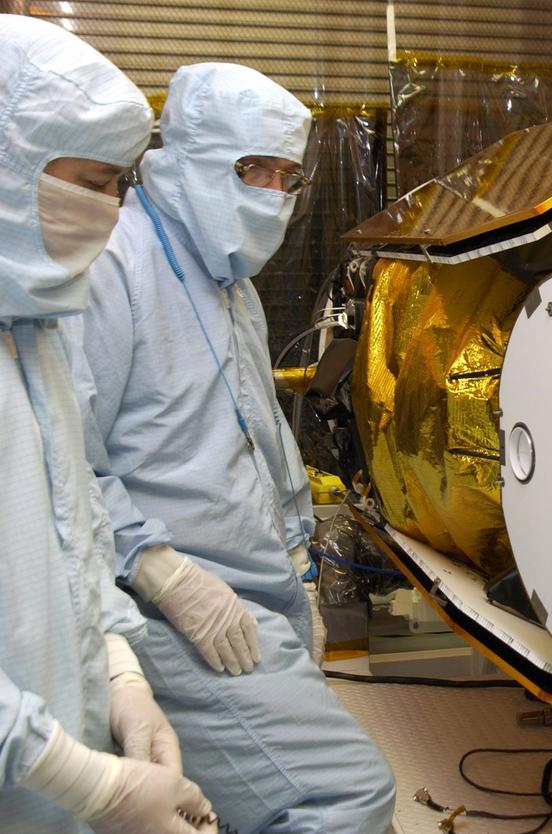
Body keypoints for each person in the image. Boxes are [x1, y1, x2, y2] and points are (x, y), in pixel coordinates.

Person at [68, 62, 396, 833]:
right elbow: (64, 466)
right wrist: (166, 573)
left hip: (260, 595)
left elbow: (258, 438)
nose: (272, 194)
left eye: (286, 176)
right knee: (348, 798)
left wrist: (299, 570)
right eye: (253, 169)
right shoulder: (112, 264)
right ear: (183, 155)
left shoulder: (231, 282)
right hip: (175, 610)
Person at [0, 16, 216, 834]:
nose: (111, 210)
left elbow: (73, 528)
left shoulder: (37, 328)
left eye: (117, 183)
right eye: (88, 182)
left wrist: (121, 672)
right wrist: (89, 783)